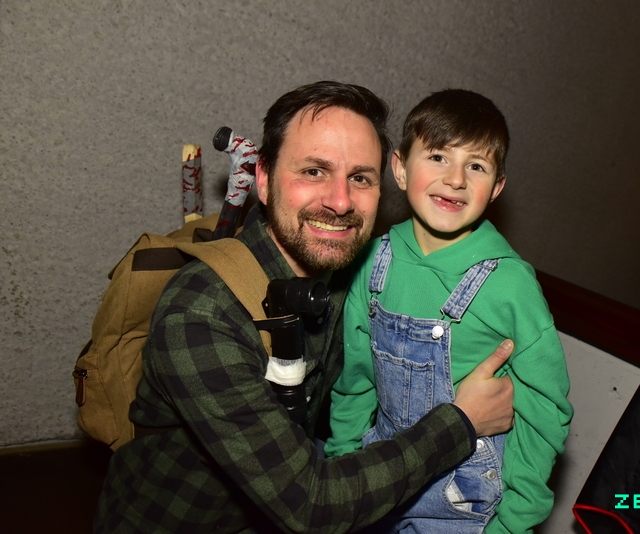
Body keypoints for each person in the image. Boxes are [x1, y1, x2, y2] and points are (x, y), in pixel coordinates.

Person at [94, 81, 516, 534]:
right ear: (263, 179)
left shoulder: (354, 276)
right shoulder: (201, 313)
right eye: (314, 171)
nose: (340, 201)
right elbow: (311, 505)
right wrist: (462, 422)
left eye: (360, 178)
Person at [325, 89, 573, 533]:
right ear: (400, 168)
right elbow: (356, 378)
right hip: (380, 475)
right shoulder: (373, 261)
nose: (456, 179)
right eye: (438, 157)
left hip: (463, 503)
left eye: (476, 166)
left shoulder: (509, 283)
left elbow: (543, 410)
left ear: (496, 188)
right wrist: (343, 464)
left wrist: (516, 521)